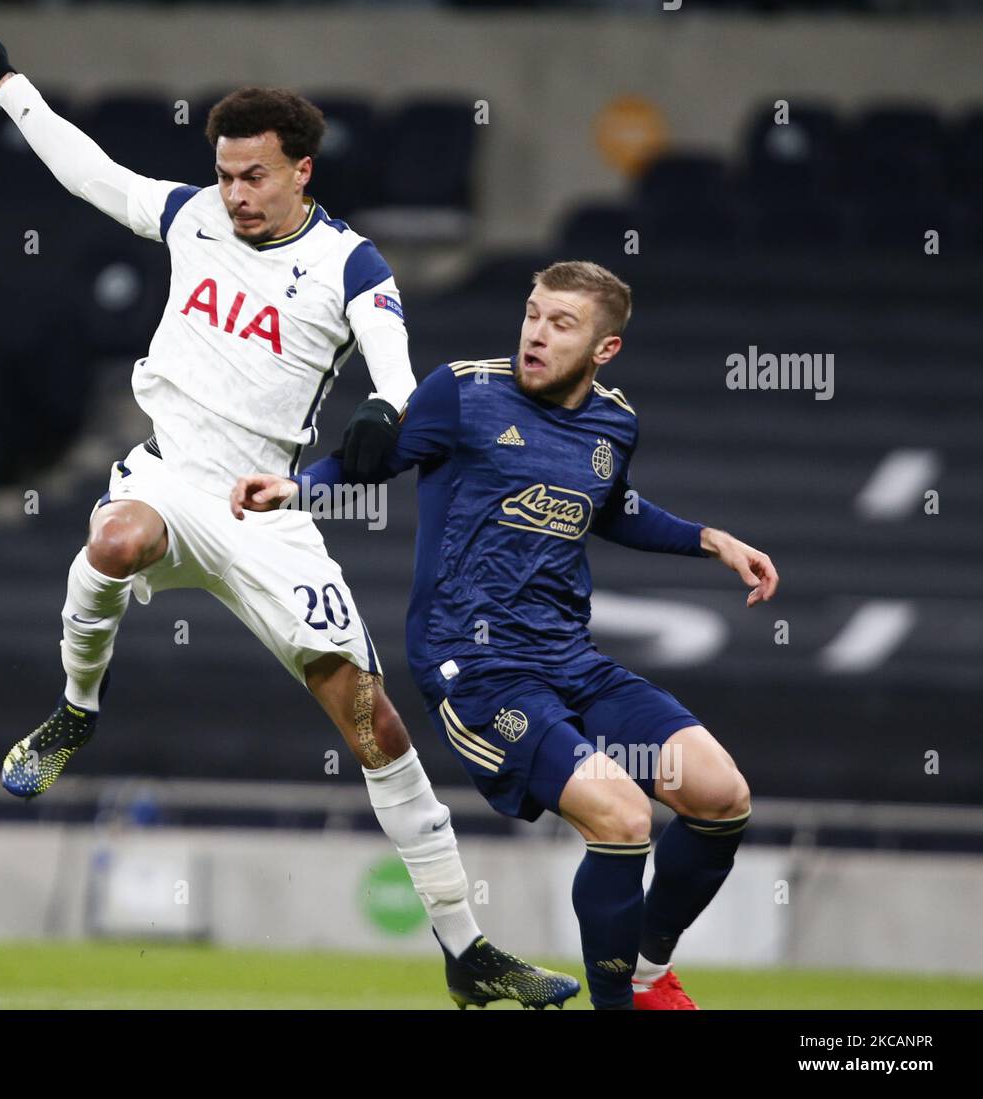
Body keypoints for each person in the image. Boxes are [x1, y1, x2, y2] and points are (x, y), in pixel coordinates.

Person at [0, 27, 579, 1009]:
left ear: (299, 171)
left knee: (373, 724)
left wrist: (379, 416)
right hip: (167, 476)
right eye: (224, 174)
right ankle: (75, 713)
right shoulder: (191, 217)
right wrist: (7, 82)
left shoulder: (351, 264)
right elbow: (87, 170)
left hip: (265, 510)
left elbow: (400, 377)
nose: (234, 194)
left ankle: (467, 953)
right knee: (112, 540)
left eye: (252, 176)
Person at [231, 260, 780, 1009]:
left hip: (571, 660)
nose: (536, 334)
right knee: (622, 815)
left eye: (561, 324)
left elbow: (611, 508)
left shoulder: (615, 423)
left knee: (721, 794)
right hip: (477, 667)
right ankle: (620, 1004)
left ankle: (647, 970)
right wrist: (298, 487)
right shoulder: (463, 391)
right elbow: (373, 459)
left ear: (604, 349)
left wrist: (710, 539)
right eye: (532, 313)